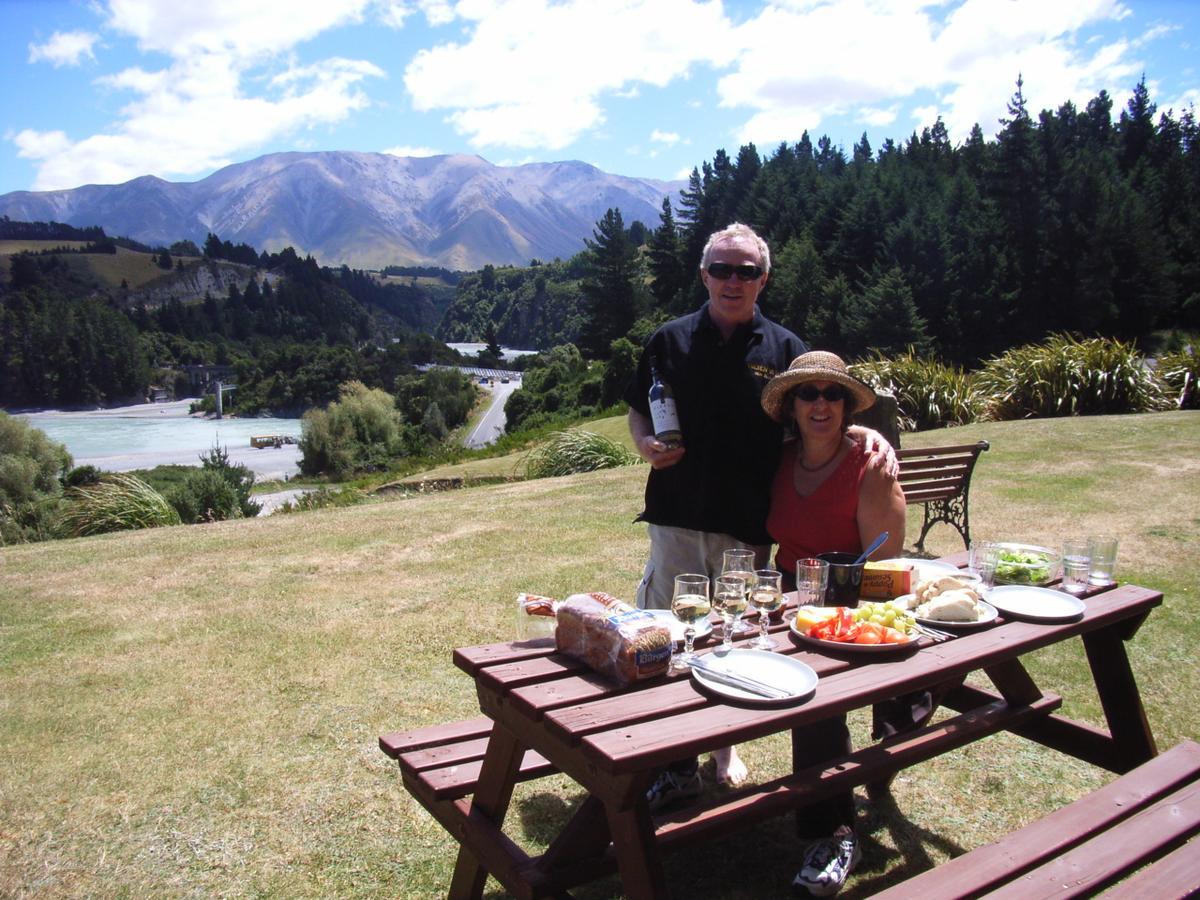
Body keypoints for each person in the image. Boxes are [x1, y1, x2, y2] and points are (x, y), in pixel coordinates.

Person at [623, 223, 895, 808]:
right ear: (704, 275)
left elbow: (820, 409)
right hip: (677, 515)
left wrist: (869, 435)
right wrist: (645, 445)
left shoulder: (785, 348)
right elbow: (638, 409)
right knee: (668, 639)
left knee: (735, 634)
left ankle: (725, 747)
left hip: (751, 523)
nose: (732, 280)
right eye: (722, 269)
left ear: (763, 279)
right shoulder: (668, 340)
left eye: (746, 271)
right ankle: (675, 763)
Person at [759, 351, 907, 897]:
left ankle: (833, 834)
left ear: (847, 406)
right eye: (808, 393)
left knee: (814, 703)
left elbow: (890, 572)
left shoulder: (869, 463)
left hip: (849, 606)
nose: (821, 403)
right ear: (791, 406)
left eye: (833, 393)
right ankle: (672, 776)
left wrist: (821, 603)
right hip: (784, 599)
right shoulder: (777, 458)